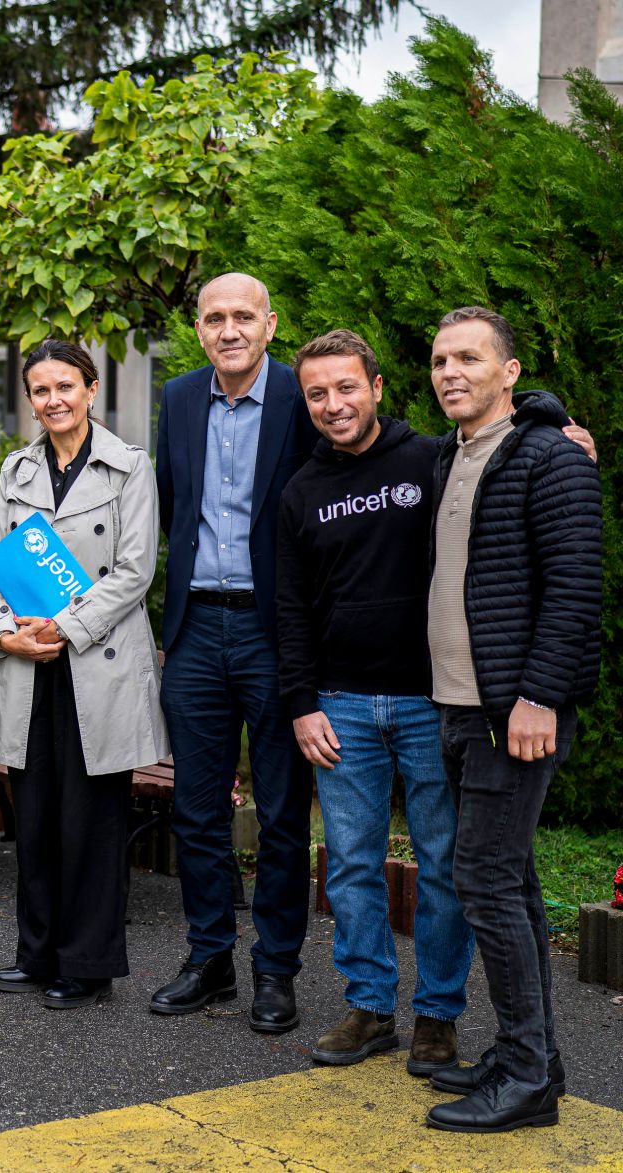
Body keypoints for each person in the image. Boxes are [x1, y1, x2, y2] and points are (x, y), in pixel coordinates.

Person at [420, 307, 601, 1134]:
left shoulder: (548, 457)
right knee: (513, 879)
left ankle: (527, 1076)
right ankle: (534, 1055)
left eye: (469, 358)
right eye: (439, 359)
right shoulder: (450, 458)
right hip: (459, 706)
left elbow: (573, 586)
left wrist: (540, 695)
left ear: (510, 370)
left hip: (513, 711)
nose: (452, 371)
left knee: (486, 880)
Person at [275, 330, 476, 1074]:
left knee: (444, 862)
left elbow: (507, 450)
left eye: (346, 387)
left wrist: (557, 426)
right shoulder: (300, 492)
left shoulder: (431, 459)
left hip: (433, 699)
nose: (334, 404)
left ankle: (438, 1016)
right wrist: (302, 703)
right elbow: (290, 611)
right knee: (352, 864)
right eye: (318, 393)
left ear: (379, 386)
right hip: (342, 706)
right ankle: (369, 1007)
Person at [0, 341, 168, 1010]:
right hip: (29, 666)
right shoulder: (16, 469)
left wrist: (66, 626)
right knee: (37, 819)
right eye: (40, 389)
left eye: (65, 385)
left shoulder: (128, 467)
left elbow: (135, 571)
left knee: (91, 821)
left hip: (96, 662)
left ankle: (87, 963)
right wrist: (4, 632)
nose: (53, 399)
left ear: (90, 389)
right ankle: (38, 952)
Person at [151, 272, 318, 1033]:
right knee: (196, 807)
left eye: (243, 316)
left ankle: (275, 968)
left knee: (283, 810)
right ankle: (210, 955)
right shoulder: (181, 398)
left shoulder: (300, 397)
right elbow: (169, 504)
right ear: (198, 329)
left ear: (270, 324)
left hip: (273, 630)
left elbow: (369, 456)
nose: (229, 330)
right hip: (194, 631)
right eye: (214, 318)